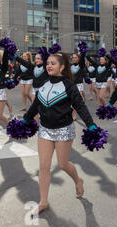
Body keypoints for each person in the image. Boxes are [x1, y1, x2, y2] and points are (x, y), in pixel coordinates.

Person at [23, 51, 98, 215]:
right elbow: (36, 106)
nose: (49, 65)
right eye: (47, 63)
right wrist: (25, 120)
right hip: (45, 130)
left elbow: (80, 106)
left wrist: (91, 125)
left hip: (64, 129)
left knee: (63, 164)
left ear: (62, 67)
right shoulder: (43, 84)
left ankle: (78, 180)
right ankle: (43, 201)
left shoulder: (68, 85)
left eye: (53, 63)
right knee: (44, 167)